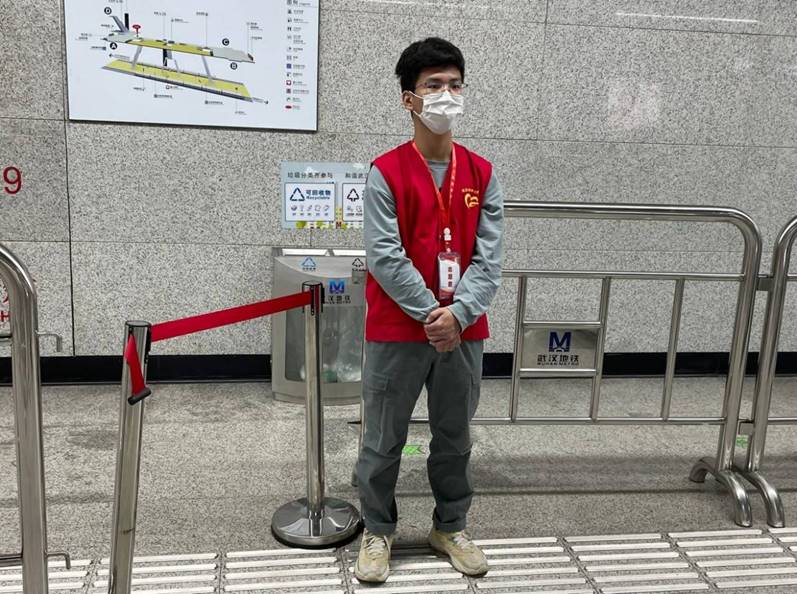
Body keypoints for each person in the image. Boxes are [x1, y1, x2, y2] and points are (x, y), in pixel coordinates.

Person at [355, 37, 504, 583]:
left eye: (455, 85)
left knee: (454, 436)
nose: (447, 94)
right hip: (398, 328)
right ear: (409, 99)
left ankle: (451, 526)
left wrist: (457, 314)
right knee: (382, 439)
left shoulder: (482, 173)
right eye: (433, 85)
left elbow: (489, 258)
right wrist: (431, 312)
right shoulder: (386, 171)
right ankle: (378, 528)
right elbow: (384, 255)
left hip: (463, 331)